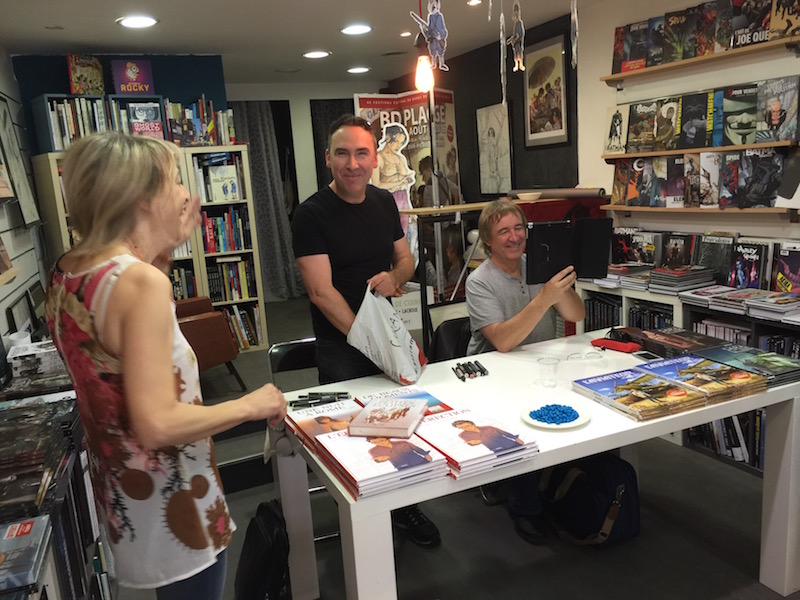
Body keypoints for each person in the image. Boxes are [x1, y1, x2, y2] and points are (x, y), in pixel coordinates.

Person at [45, 132, 287, 599]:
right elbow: (156, 424)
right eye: (175, 180)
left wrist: (162, 245)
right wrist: (251, 405)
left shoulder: (70, 269)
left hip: (127, 497)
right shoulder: (139, 283)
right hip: (174, 498)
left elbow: (118, 350)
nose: (183, 193)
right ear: (141, 196)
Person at [291, 114, 440, 548]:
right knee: (353, 439)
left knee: (397, 426)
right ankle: (362, 523)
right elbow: (321, 292)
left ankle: (404, 507)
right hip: (341, 345)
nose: (352, 163)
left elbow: (406, 260)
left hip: (386, 337)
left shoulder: (383, 202)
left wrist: (395, 277)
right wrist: (370, 342)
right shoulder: (311, 214)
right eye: (342, 153)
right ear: (328, 159)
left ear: (376, 158)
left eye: (361, 153)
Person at [465, 199, 585, 544]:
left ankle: (569, 488)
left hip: (538, 365)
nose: (514, 237)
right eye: (503, 231)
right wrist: (544, 297)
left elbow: (575, 315)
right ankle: (525, 508)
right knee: (517, 424)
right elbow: (503, 341)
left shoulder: (540, 266)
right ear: (488, 240)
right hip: (494, 374)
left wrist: (562, 289)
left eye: (519, 228)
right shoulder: (479, 281)